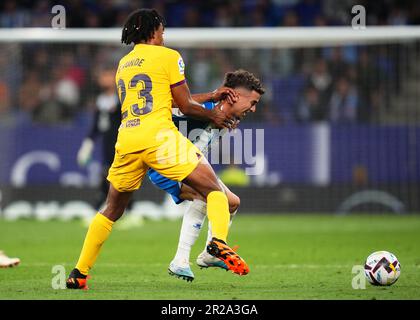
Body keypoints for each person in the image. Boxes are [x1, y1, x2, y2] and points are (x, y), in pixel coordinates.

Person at [66, 8, 248, 290]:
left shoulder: (124, 64)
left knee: (112, 208)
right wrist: (214, 115)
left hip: (127, 138)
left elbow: (167, 100)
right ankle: (218, 245)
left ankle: (78, 273)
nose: (164, 35)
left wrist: (211, 96)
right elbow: (185, 106)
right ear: (153, 30)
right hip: (159, 137)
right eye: (162, 30)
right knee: (214, 191)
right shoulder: (169, 56)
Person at [148, 69, 264, 281]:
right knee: (207, 195)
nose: (254, 109)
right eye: (253, 102)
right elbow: (171, 103)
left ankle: (209, 254)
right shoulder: (203, 109)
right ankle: (181, 260)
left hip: (189, 165)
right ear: (234, 96)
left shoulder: (227, 118)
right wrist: (211, 95)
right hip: (165, 164)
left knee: (232, 203)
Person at [77, 68, 121, 209]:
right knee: (107, 174)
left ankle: (127, 208)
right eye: (102, 76)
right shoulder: (100, 101)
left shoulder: (122, 98)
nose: (103, 79)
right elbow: (96, 128)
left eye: (106, 75)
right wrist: (87, 146)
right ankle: (102, 205)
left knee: (119, 177)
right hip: (107, 145)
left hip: (122, 143)